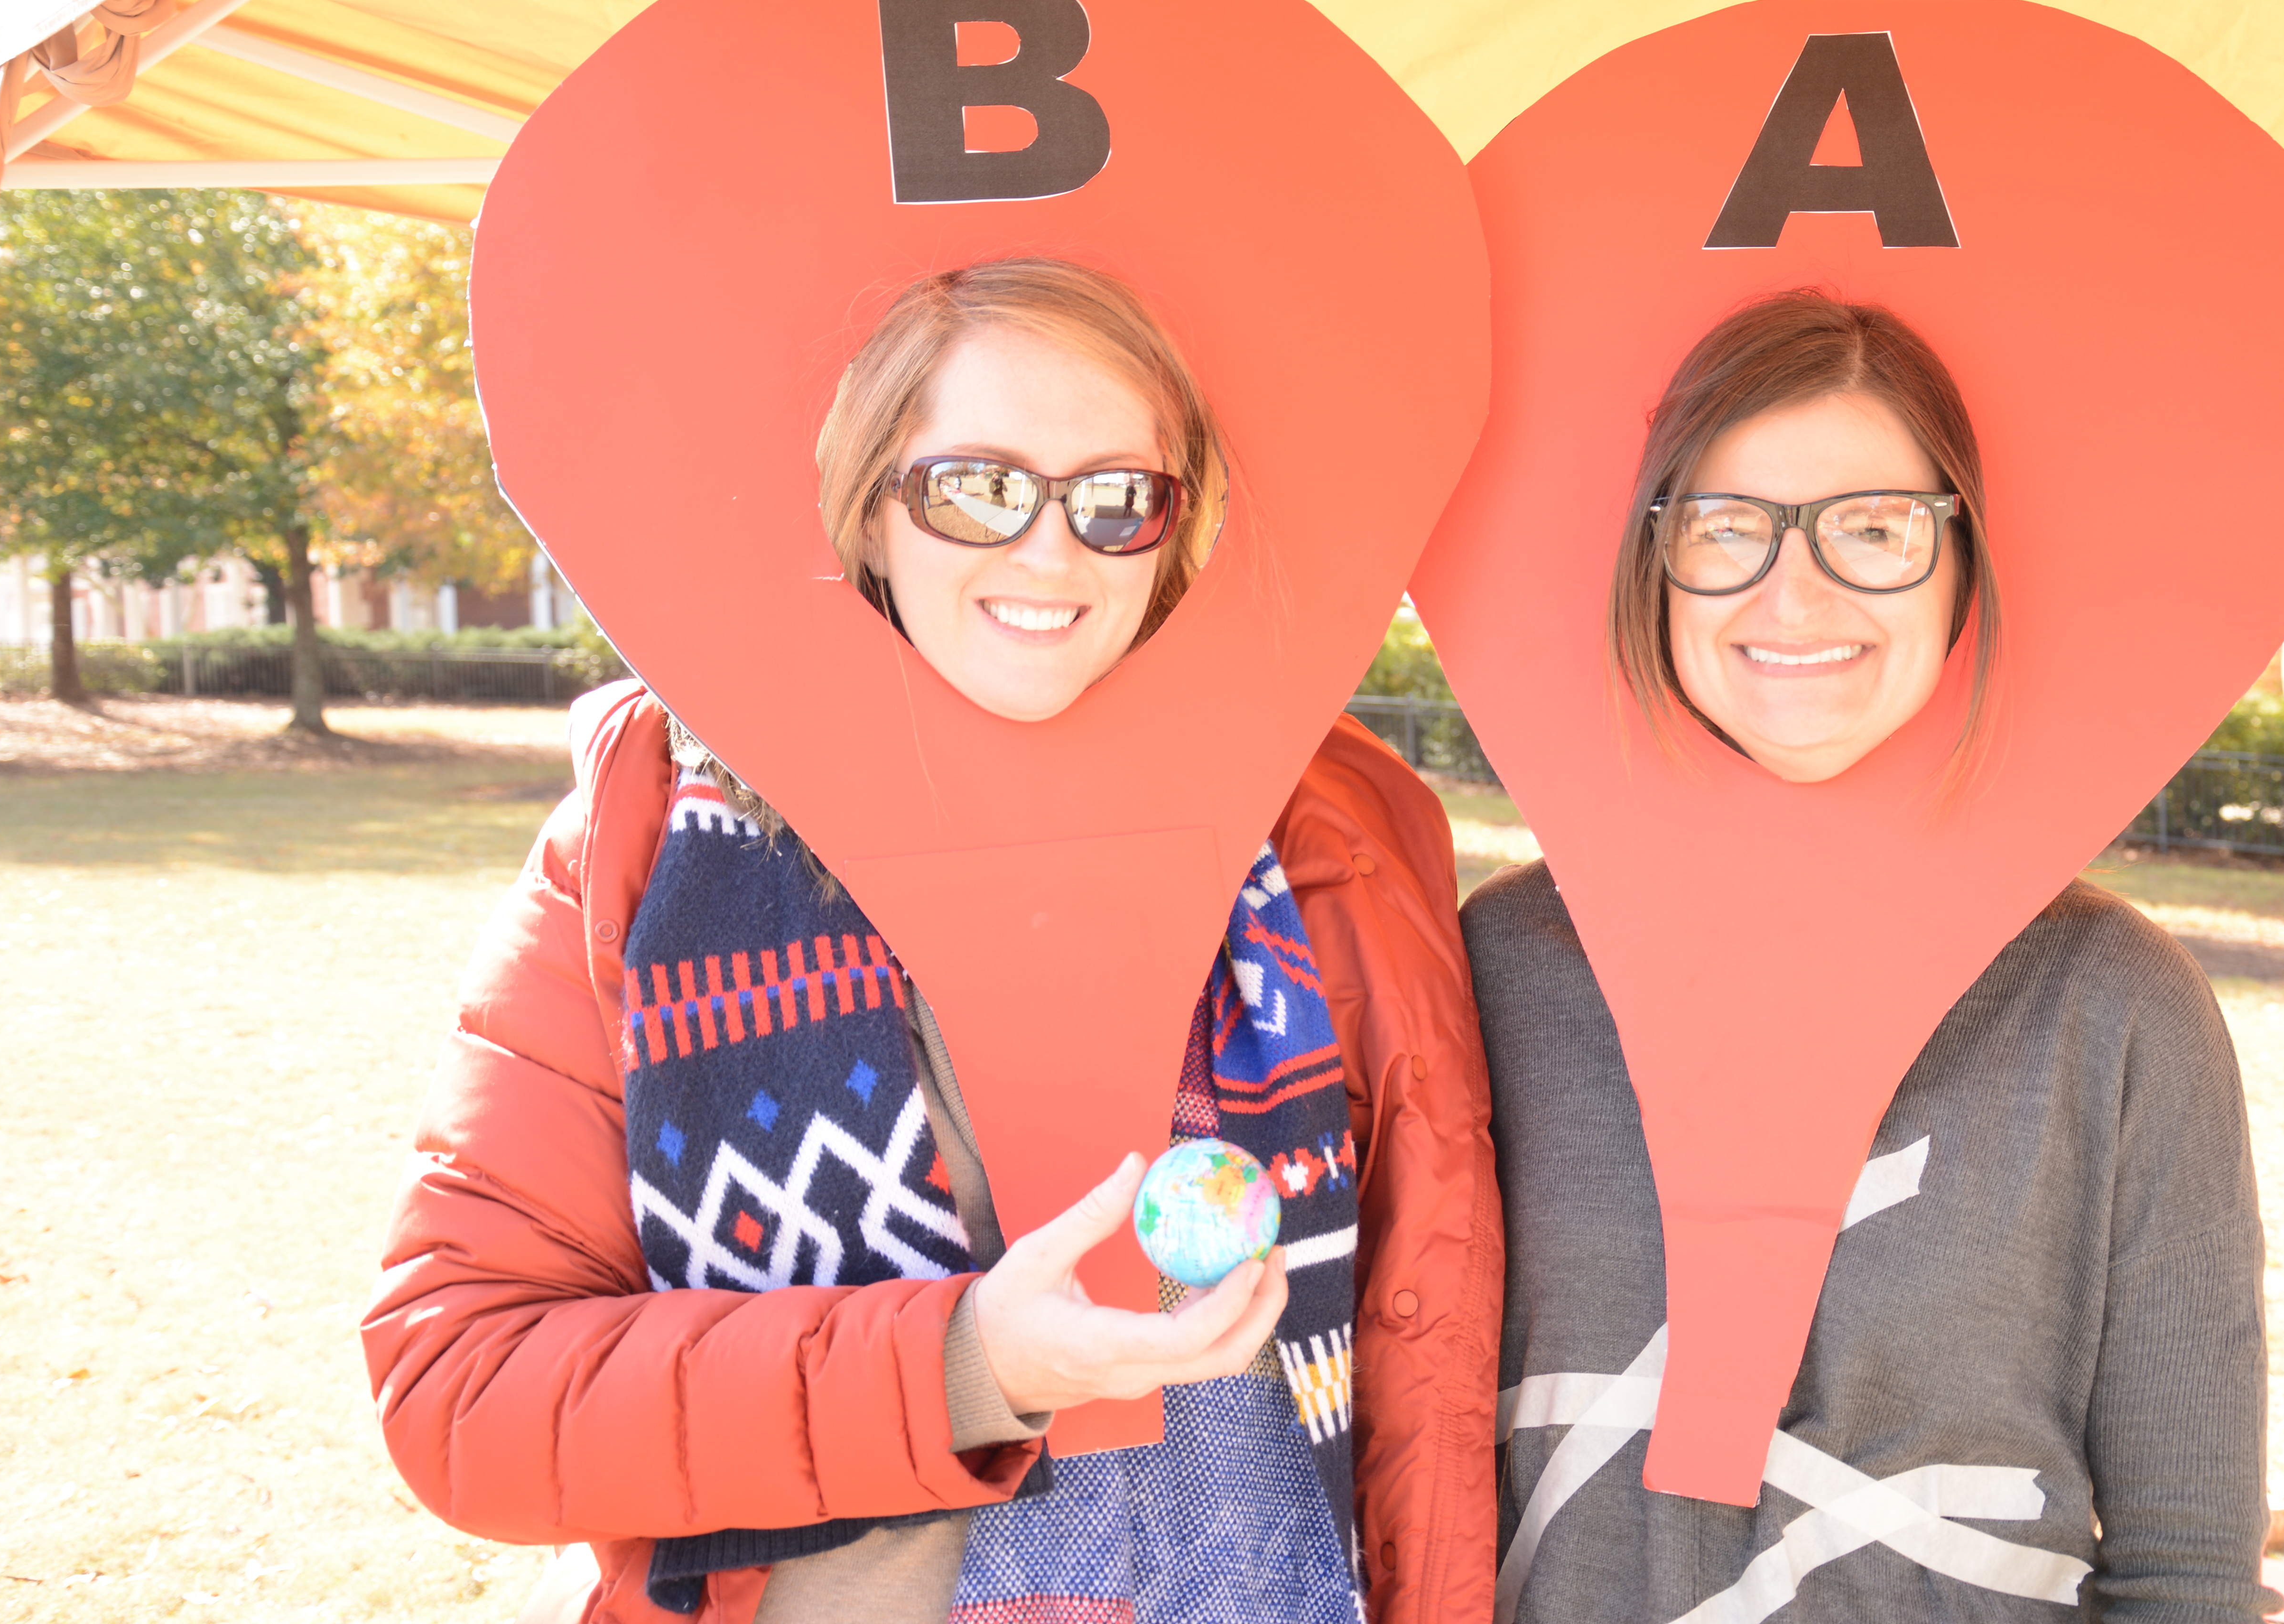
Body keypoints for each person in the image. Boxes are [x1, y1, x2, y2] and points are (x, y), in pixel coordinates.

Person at [365, 258, 1501, 1624]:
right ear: (871, 508)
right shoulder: (646, 849)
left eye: (1117, 497)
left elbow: (1428, 1343)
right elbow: (466, 1394)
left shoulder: (1335, 842)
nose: (1050, 552)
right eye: (977, 488)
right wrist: (962, 1365)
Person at [1465, 289, 2272, 1622]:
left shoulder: (2113, 1011)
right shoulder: (1497, 971)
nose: (1797, 593)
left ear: (1962, 567)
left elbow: (2186, 1571)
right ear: (1653, 566)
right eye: (1728, 528)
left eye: (1876, 529)